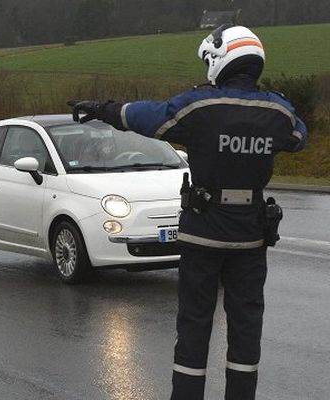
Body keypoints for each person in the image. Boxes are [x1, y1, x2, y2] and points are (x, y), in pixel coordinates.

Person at [70, 25, 307, 400]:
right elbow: (298, 137)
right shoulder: (277, 110)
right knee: (246, 329)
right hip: (250, 236)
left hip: (203, 233)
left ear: (219, 59)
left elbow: (148, 116)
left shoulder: (200, 107)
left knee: (195, 327)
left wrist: (103, 109)